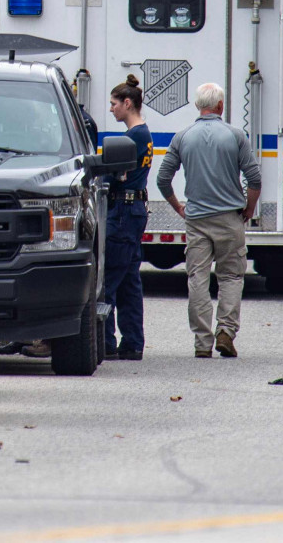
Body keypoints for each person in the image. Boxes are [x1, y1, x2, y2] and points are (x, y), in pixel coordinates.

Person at [155, 83, 260, 358]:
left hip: (197, 219)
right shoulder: (236, 135)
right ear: (221, 106)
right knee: (231, 276)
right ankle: (225, 330)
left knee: (197, 278)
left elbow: (163, 179)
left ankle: (202, 342)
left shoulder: (182, 136)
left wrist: (178, 206)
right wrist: (249, 209)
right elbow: (255, 178)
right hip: (230, 219)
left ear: (197, 106)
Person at [102, 75, 155, 360]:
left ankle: (105, 342)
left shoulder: (131, 138)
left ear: (127, 103)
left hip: (122, 212)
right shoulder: (144, 134)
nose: (111, 109)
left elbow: (113, 178)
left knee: (108, 279)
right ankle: (132, 342)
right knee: (128, 281)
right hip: (134, 211)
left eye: (113, 104)